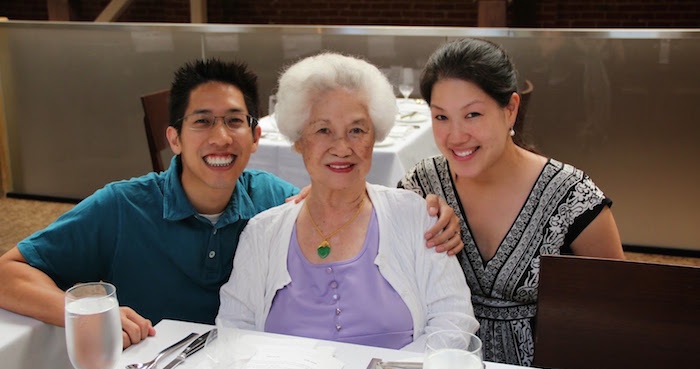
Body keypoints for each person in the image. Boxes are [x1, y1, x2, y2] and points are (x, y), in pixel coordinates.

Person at [0, 58, 461, 349]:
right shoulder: (122, 206)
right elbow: (8, 272)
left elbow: (333, 198)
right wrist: (87, 313)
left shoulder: (272, 200)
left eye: (235, 121)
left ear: (257, 136)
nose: (221, 138)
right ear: (174, 138)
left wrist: (433, 215)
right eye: (203, 122)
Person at [216, 52, 479, 352]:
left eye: (356, 130)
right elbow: (234, 329)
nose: (342, 148)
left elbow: (454, 320)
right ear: (298, 141)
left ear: (375, 136)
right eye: (323, 130)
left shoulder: (416, 217)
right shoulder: (262, 233)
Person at [398, 38, 625, 365]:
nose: (456, 136)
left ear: (510, 110)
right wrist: (417, 217)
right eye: (441, 117)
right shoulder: (421, 187)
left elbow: (619, 308)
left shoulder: (571, 196)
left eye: (473, 114)